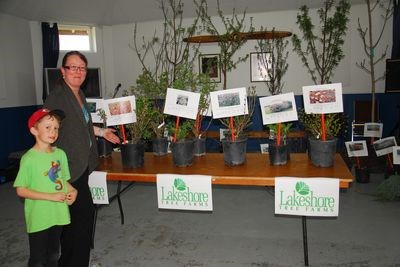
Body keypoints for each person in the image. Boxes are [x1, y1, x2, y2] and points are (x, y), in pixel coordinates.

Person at [44, 50, 120, 266]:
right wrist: (57, 174)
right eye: (72, 67)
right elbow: (46, 133)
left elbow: (82, 126)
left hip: (82, 165)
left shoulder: (78, 94)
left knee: (78, 221)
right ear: (63, 71)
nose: (77, 71)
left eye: (81, 68)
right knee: (79, 223)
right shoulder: (57, 97)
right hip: (68, 170)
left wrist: (102, 132)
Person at [14, 108, 77, 267]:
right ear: (34, 130)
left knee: (54, 255)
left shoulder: (60, 154)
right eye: (48, 127)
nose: (53, 131)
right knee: (38, 259)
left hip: (58, 213)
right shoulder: (29, 159)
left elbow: (61, 180)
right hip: (39, 217)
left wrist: (72, 191)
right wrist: (50, 196)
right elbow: (21, 190)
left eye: (56, 128)